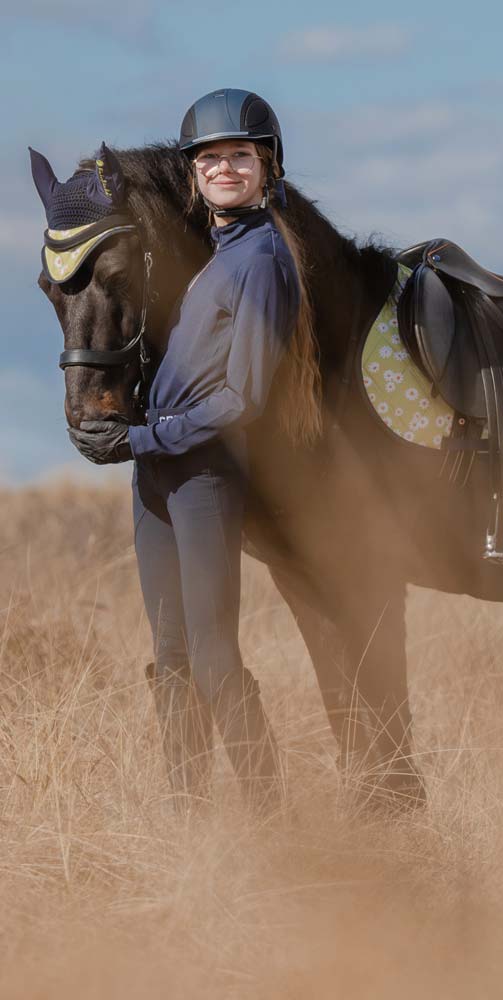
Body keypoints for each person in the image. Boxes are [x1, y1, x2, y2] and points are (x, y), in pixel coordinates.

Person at [70, 89, 309, 813]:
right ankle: (188, 822)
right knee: (170, 658)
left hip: (203, 476)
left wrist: (139, 436)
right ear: (194, 173)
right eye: (211, 158)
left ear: (267, 167)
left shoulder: (263, 260)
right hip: (153, 475)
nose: (225, 168)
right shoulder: (211, 256)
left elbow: (244, 399)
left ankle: (270, 819)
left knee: (210, 655)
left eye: (241, 155)